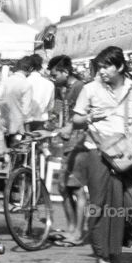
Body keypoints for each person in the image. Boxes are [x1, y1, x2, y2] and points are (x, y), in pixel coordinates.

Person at [71, 45, 132, 263]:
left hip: (126, 154)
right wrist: (89, 116)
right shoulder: (90, 89)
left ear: (119, 66)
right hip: (97, 152)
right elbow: (76, 120)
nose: (102, 71)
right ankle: (104, 256)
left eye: (107, 66)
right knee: (100, 204)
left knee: (128, 204)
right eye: (100, 67)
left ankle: (115, 247)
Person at [48, 55, 86, 244]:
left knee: (76, 188)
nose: (53, 78)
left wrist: (66, 128)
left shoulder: (80, 88)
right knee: (63, 187)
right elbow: (55, 114)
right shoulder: (61, 89)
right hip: (66, 143)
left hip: (79, 143)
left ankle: (78, 232)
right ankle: (71, 228)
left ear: (65, 72)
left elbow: (81, 117)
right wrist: (48, 127)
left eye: (55, 74)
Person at [0, 57, 33, 143]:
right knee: (15, 151)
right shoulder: (26, 85)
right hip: (17, 126)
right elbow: (25, 110)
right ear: (30, 69)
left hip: (2, 124)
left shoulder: (5, 81)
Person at [24, 55, 54, 133]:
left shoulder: (24, 82)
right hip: (41, 121)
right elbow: (51, 106)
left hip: (25, 122)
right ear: (40, 67)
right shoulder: (49, 84)